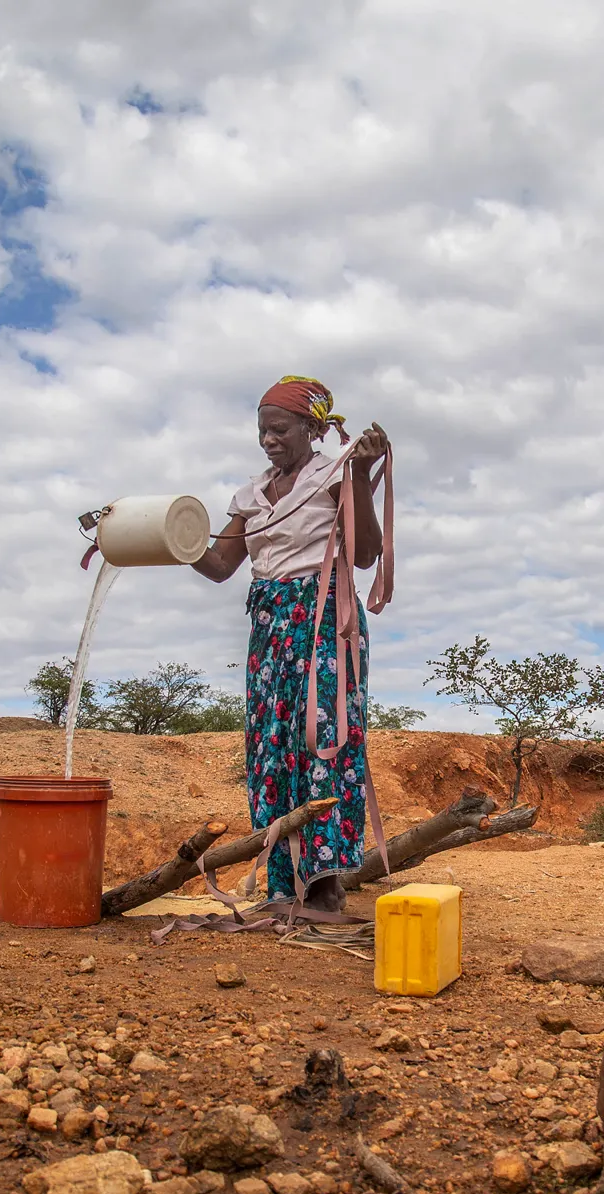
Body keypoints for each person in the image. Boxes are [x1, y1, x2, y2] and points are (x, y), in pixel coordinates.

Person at [191, 376, 391, 901]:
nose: (269, 440)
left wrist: (363, 474)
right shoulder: (250, 495)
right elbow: (217, 565)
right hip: (270, 626)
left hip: (324, 617)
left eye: (279, 429)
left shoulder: (334, 475)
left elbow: (366, 554)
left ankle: (324, 881)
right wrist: (172, 534)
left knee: (322, 738)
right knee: (271, 746)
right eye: (263, 431)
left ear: (312, 427)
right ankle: (282, 879)